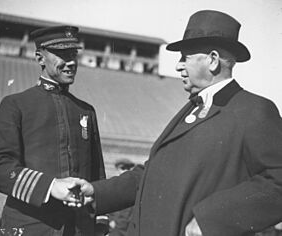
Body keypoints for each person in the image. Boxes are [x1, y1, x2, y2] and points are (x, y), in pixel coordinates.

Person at [78, 10, 282, 236]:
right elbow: (151, 174)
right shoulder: (192, 108)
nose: (178, 66)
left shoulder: (253, 110)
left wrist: (211, 220)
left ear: (213, 60)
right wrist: (97, 192)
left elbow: (278, 183)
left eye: (185, 57)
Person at [0, 25, 109, 236]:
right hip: (30, 227)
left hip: (79, 229)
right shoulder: (16, 105)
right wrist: (50, 186)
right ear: (40, 58)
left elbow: (97, 174)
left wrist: (101, 222)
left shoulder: (86, 111)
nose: (71, 62)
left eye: (73, 54)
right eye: (61, 54)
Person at [108, 159, 136, 236]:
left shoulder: (135, 187)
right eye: (122, 168)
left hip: (128, 228)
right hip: (115, 229)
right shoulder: (112, 187)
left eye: (127, 168)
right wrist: (111, 221)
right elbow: (108, 206)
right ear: (117, 170)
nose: (125, 171)